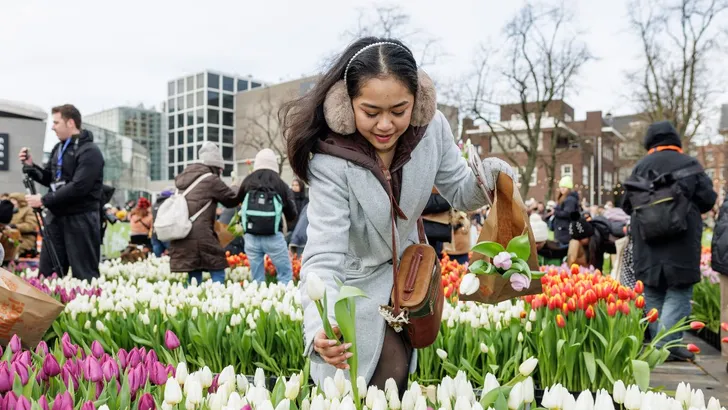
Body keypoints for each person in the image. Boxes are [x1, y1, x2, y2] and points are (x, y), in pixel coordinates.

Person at [283, 37, 514, 392]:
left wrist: (492, 177)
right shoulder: (330, 158)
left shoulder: (431, 129)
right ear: (347, 106)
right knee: (370, 386)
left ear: (418, 103)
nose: (386, 125)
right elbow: (323, 254)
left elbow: (460, 190)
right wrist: (319, 326)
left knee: (397, 381)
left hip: (408, 283)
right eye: (371, 112)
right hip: (351, 290)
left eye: (399, 110)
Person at [622, 121, 717, 362]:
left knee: (652, 291)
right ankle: (664, 347)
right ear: (675, 140)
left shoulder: (640, 166)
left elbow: (625, 204)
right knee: (680, 290)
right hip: (682, 241)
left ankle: (663, 346)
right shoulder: (690, 164)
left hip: (647, 242)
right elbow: (708, 198)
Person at [19, 104, 105, 280]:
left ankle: (85, 305)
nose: (53, 127)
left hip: (81, 218)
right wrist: (31, 167)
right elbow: (51, 178)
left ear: (70, 123)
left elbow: (79, 186)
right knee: (48, 274)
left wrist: (43, 200)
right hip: (56, 216)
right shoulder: (58, 149)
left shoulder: (90, 151)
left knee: (84, 274)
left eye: (56, 122)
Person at [168, 142, 239, 284]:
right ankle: (217, 299)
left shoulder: (184, 179)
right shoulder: (210, 179)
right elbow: (231, 200)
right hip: (202, 233)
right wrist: (236, 186)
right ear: (216, 167)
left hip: (183, 232)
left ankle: (194, 300)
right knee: (217, 266)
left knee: (194, 272)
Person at [237, 148, 297, 284]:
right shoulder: (280, 183)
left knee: (257, 279)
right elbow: (292, 213)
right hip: (274, 236)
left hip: (251, 236)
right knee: (285, 274)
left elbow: (236, 200)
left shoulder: (248, 181)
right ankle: (284, 301)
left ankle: (258, 302)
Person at [6, 193, 39, 258]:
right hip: (11, 237)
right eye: (11, 200)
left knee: (14, 246)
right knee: (4, 245)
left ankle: (11, 264)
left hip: (24, 238)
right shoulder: (11, 210)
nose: (12, 202)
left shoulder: (28, 210)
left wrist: (16, 226)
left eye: (14, 200)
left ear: (20, 200)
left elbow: (31, 225)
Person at [552, 176, 579, 246]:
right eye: (561, 187)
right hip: (562, 229)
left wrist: (555, 212)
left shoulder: (570, 199)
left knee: (563, 250)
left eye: (564, 187)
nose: (562, 189)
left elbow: (567, 213)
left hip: (565, 230)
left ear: (569, 188)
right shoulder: (564, 198)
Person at [151, 190, 172, 257]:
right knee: (170, 254)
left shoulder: (154, 204)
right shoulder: (168, 204)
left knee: (158, 255)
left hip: (155, 232)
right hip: (166, 232)